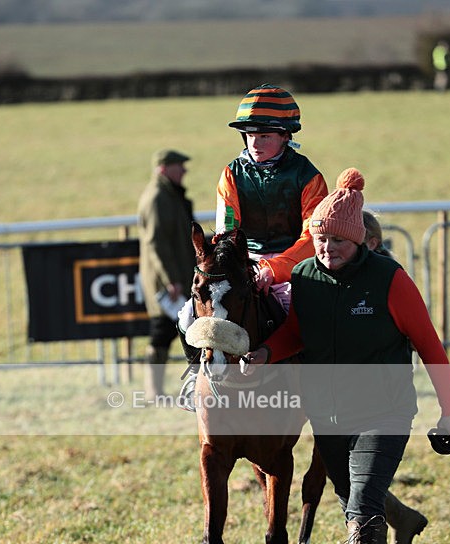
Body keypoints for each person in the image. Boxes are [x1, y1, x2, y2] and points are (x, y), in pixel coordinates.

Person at [242, 168, 450, 544]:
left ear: (360, 240)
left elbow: (429, 345)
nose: (327, 249)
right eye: (320, 239)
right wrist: (264, 352)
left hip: (384, 411)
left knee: (364, 498)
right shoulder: (305, 276)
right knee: (353, 503)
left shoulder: (390, 279)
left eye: (337, 242)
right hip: (328, 415)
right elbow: (296, 333)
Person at [177, 84, 328, 408]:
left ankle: (320, 388)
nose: (255, 143)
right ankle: (194, 372)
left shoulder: (308, 176)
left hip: (294, 262)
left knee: (311, 316)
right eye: (249, 135)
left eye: (265, 136)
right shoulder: (231, 173)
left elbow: (312, 237)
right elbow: (227, 231)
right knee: (188, 313)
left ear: (286, 135)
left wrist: (275, 269)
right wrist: (237, 266)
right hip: (245, 260)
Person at [362, 209, 429, 544]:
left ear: (372, 243)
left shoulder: (389, 280)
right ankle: (401, 517)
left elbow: (423, 338)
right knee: (344, 473)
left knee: (359, 484)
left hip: (384, 395)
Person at [138, 148, 196, 399]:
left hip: (176, 277)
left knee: (173, 329)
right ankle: (153, 391)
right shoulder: (157, 198)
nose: (184, 170)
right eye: (178, 166)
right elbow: (156, 244)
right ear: (164, 169)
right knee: (162, 330)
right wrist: (170, 279)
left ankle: (158, 389)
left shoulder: (169, 195)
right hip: (167, 281)